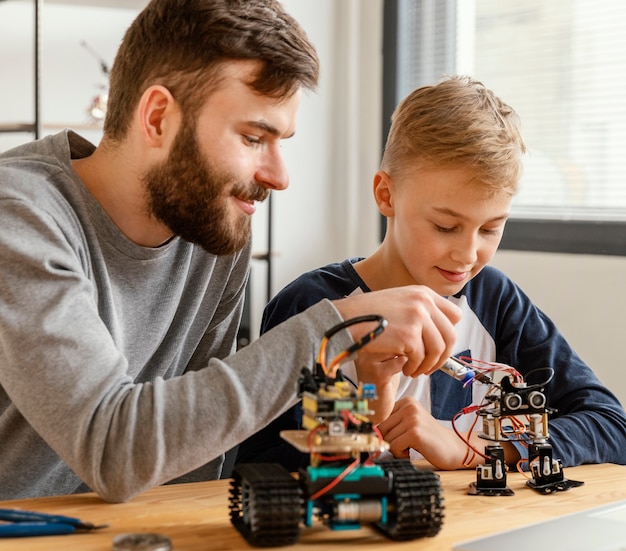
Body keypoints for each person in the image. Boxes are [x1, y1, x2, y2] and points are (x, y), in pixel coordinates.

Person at [0, 0, 462, 502]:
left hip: (124, 548)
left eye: (280, 141)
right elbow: (114, 445)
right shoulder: (19, 215)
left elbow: (197, 458)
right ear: (157, 118)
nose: (279, 176)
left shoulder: (210, 226)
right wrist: (333, 330)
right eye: (252, 137)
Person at [237, 75, 626, 473]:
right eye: (445, 226)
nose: (469, 254)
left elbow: (611, 425)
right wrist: (366, 416)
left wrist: (471, 445)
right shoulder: (311, 308)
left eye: (491, 228)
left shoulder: (494, 300)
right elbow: (254, 466)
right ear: (386, 195)